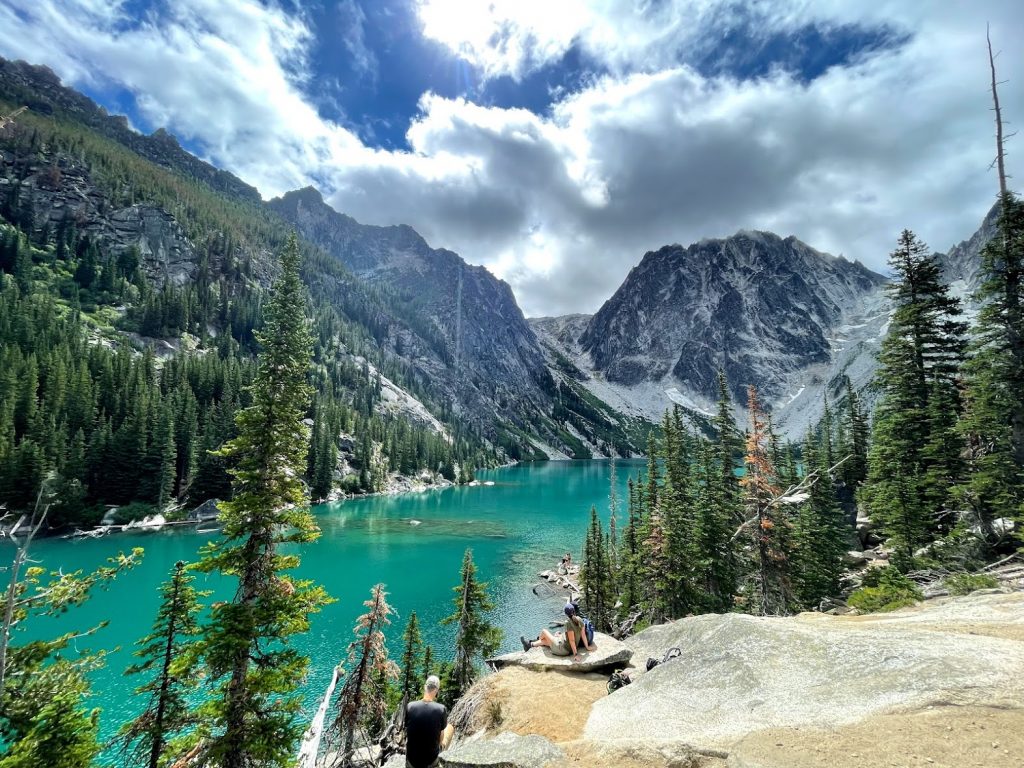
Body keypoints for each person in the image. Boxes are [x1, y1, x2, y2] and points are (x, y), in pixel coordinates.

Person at [405, 675, 454, 768]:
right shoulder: (441, 709)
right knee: (450, 727)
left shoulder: (410, 706)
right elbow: (440, 739)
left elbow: (408, 731)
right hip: (430, 762)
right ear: (436, 691)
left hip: (412, 761)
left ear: (425, 687)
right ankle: (443, 760)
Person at [520, 603, 595, 663]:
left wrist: (575, 655)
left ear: (566, 614)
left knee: (544, 631)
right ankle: (530, 645)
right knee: (549, 639)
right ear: (573, 611)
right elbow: (583, 635)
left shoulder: (568, 623)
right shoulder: (579, 619)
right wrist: (587, 647)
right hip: (566, 647)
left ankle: (534, 641)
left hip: (563, 649)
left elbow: (572, 641)